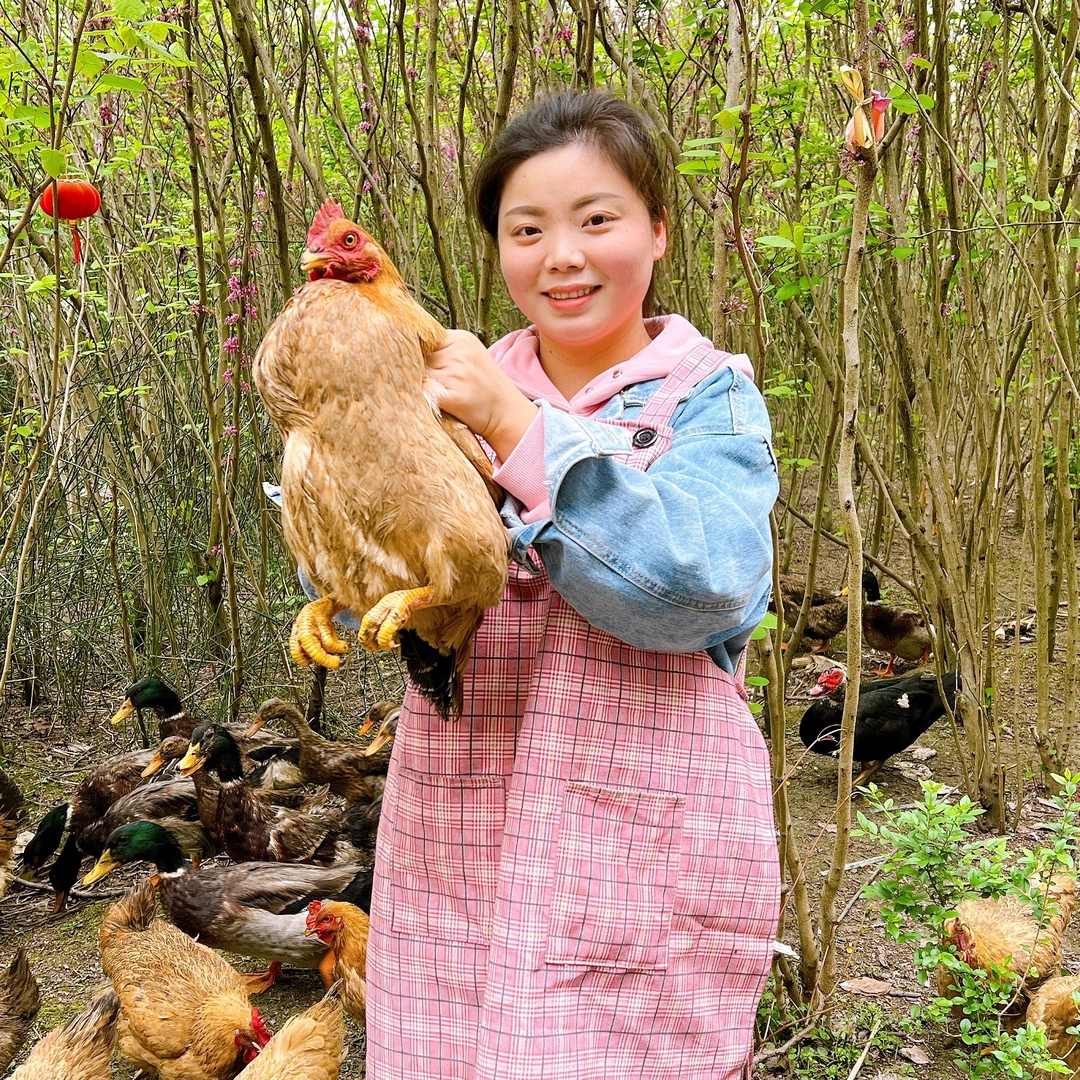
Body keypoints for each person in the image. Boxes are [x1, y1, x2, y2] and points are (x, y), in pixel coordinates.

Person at [361, 90, 780, 1080]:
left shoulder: (709, 395)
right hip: (464, 817)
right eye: (527, 229)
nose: (562, 256)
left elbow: (703, 590)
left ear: (658, 231)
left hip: (648, 826)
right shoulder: (438, 390)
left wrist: (518, 432)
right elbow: (376, 562)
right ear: (499, 248)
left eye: (597, 219)